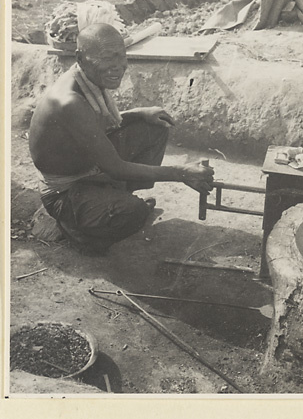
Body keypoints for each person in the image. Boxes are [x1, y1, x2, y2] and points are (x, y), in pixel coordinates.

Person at [29, 22, 214, 254]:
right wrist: (182, 173)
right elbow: (116, 167)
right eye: (107, 58)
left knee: (154, 127)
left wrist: (139, 113)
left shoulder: (87, 81)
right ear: (80, 57)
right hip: (65, 192)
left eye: (122, 56)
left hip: (89, 168)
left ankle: (111, 198)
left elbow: (96, 125)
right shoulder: (70, 101)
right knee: (133, 213)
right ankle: (79, 231)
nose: (119, 66)